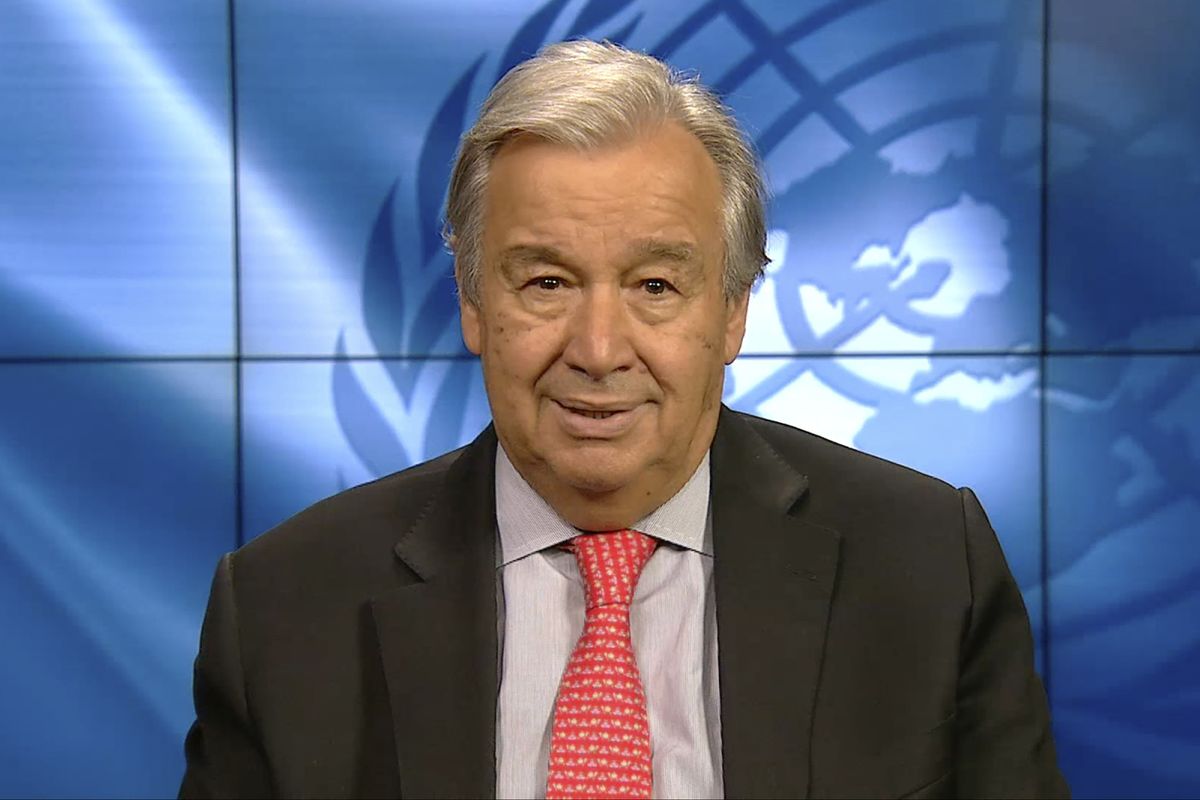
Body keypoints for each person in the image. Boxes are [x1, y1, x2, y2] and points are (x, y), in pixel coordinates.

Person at [179, 40, 1068, 799]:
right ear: (472, 303)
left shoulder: (925, 568)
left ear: (730, 313)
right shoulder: (284, 610)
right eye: (546, 282)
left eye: (654, 285)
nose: (599, 349)